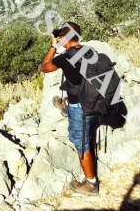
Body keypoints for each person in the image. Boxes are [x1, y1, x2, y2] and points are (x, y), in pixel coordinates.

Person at [40, 22, 100, 196]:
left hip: (80, 107)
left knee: (81, 144)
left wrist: (53, 46)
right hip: (93, 102)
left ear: (64, 38)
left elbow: (45, 67)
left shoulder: (65, 58)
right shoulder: (89, 50)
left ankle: (91, 184)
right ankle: (66, 103)